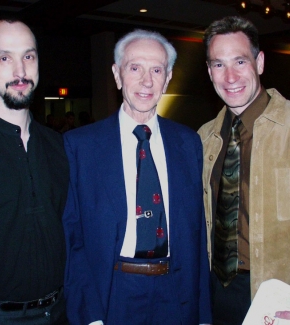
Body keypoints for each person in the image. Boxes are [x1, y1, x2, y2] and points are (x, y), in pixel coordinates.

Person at [63, 29, 212, 325]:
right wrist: (90, 315)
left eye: (156, 70)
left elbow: (197, 234)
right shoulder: (80, 146)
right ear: (117, 75)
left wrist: (203, 313)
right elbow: (73, 238)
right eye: (135, 68)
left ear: (167, 78)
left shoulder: (188, 143)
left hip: (177, 295)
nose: (147, 81)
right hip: (114, 294)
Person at [198, 15, 290, 325]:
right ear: (209, 71)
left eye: (240, 62)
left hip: (286, 297)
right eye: (219, 64)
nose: (230, 76)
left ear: (259, 62)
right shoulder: (203, 139)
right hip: (218, 293)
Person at [0, 19, 69, 324]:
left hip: (58, 312)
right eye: (5, 58)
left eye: (28, 57)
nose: (20, 71)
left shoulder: (59, 147)